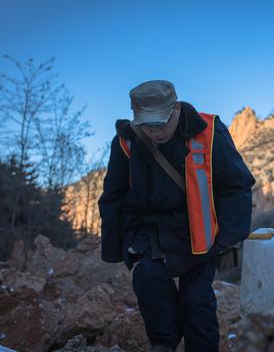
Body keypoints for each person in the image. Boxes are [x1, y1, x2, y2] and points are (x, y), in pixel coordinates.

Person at [98, 80, 255, 352]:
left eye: (160, 123)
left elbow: (236, 185)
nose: (154, 131)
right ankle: (163, 344)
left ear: (177, 109)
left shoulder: (210, 132)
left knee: (197, 302)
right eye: (147, 125)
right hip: (149, 231)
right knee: (149, 284)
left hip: (198, 233)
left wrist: (227, 239)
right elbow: (113, 194)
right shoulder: (126, 142)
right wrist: (118, 246)